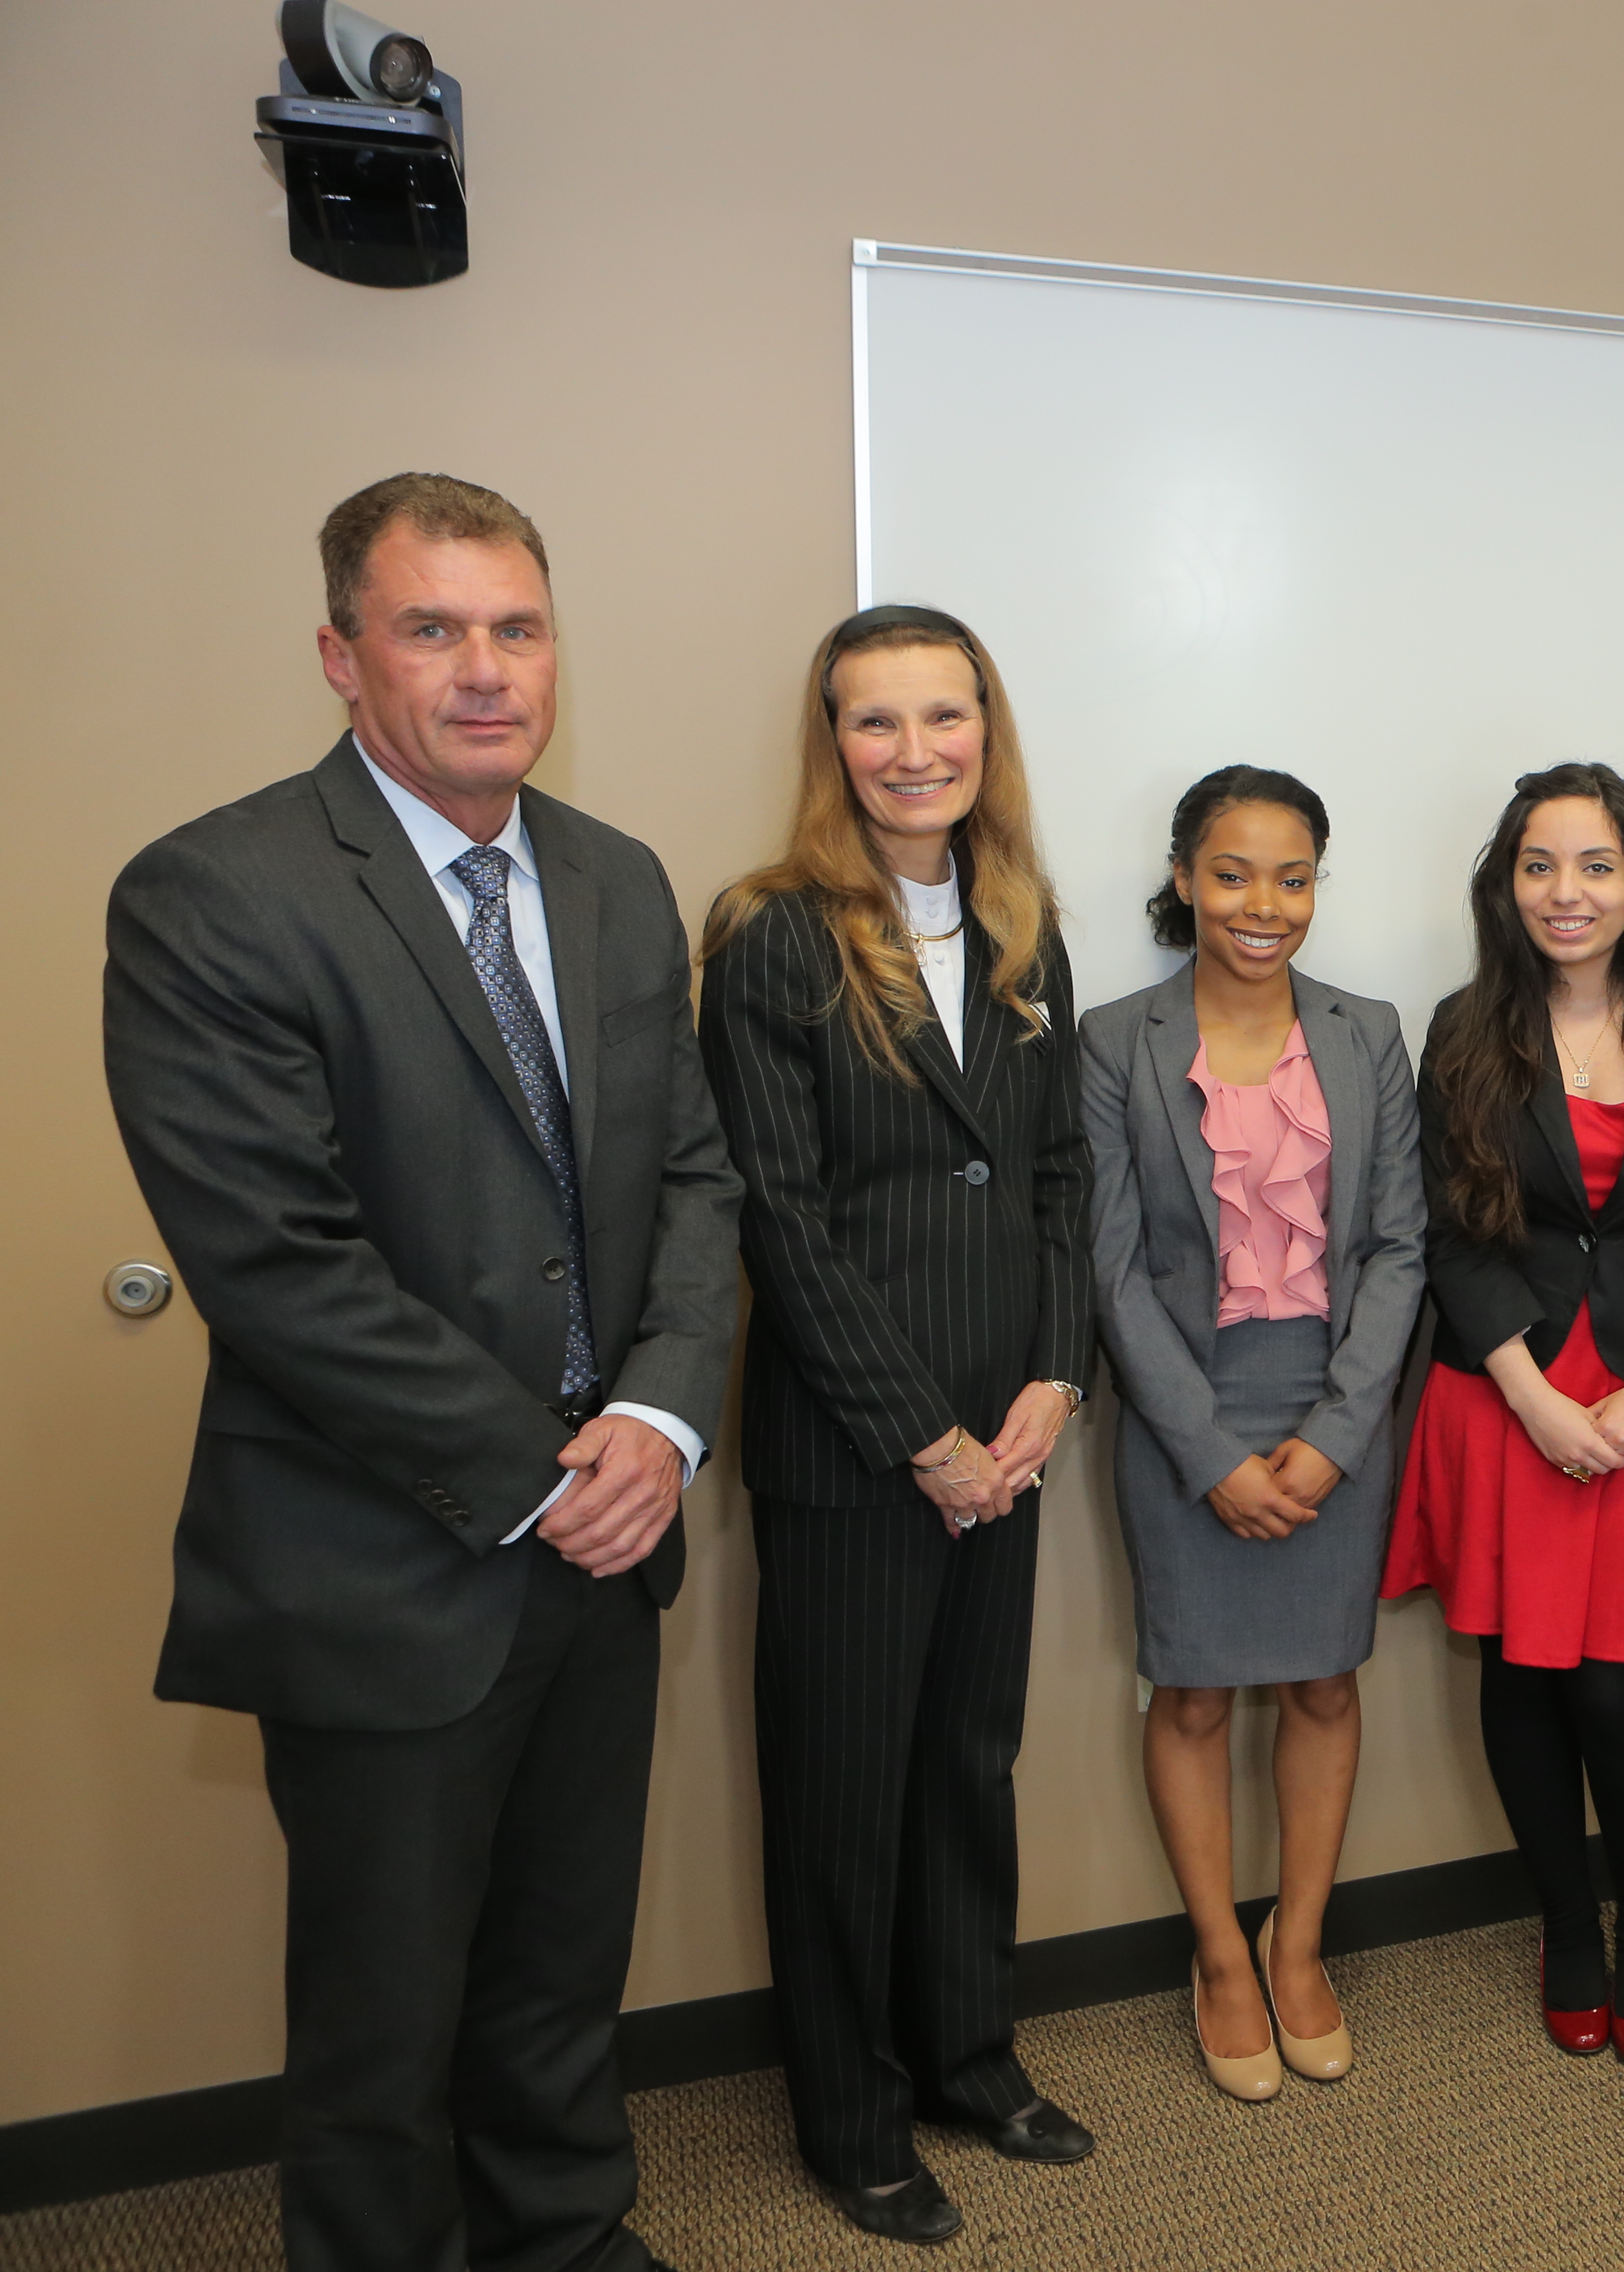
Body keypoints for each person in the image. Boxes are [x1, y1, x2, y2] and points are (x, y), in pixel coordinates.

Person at [101, 473, 741, 2272]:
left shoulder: (614, 879)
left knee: (558, 1975)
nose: (484, 671)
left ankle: (567, 2239)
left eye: (516, 628)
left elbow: (694, 1179)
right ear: (340, 654)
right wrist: (552, 1462)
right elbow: (279, 1267)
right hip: (386, 1558)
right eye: (432, 628)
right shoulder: (215, 894)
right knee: (384, 2030)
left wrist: (664, 1421)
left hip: (611, 1548)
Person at [697, 604, 1095, 2248]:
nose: (917, 751)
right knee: (846, 1794)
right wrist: (924, 1438)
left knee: (968, 1768)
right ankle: (852, 2116)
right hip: (863, 1453)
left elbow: (1062, 1177)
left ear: (987, 733)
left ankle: (967, 2056)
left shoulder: (1023, 927)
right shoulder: (776, 932)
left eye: (949, 717)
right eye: (879, 722)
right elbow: (774, 1222)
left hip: (1009, 1437)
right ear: (833, 742)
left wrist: (1051, 1385)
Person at [1383, 762, 1624, 2067]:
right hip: (1512, 1400)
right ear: (1506, 885)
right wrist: (1534, 1393)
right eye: (1540, 865)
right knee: (1525, 1676)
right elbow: (1450, 1228)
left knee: (1620, 1689)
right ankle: (1566, 1926)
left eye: (1596, 865)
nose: (1568, 891)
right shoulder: (1461, 1030)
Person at [1080, 765, 1426, 2101]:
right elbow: (1110, 1273)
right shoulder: (1117, 1038)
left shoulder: (1367, 1032)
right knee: (1194, 1693)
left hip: (1338, 1404)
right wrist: (1208, 1453)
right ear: (1184, 879)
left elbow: (1400, 1246)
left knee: (1326, 1684)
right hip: (1186, 1416)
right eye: (1233, 873)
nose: (1263, 903)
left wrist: (1339, 1435)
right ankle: (1222, 1958)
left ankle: (1302, 1948)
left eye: (1293, 876)